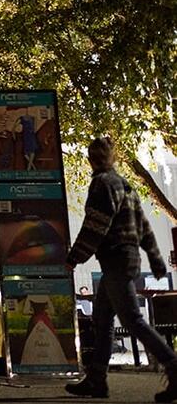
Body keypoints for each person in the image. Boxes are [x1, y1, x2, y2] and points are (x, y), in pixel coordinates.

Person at [65, 137, 177, 401]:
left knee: (132, 320)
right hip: (125, 259)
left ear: (92, 159)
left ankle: (173, 366)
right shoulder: (124, 185)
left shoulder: (102, 184)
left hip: (115, 260)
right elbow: (143, 225)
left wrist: (74, 258)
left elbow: (95, 225)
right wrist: (156, 259)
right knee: (102, 320)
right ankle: (96, 380)